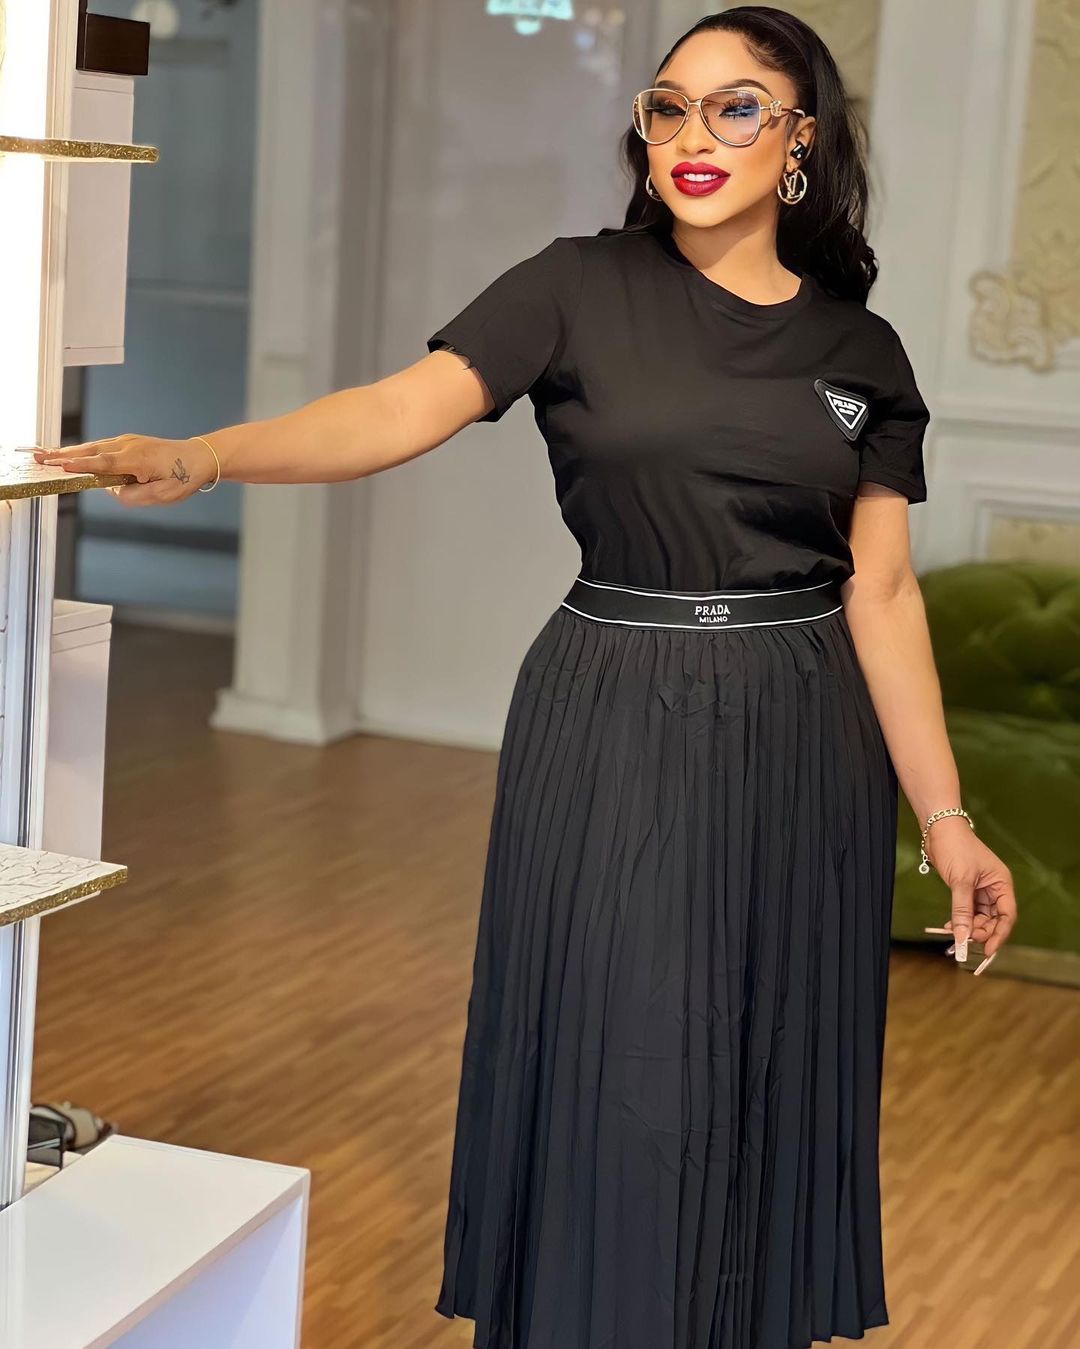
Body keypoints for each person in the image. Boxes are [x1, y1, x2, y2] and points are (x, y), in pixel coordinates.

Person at [36, 7, 1018, 1347]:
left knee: (767, 1051)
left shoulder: (862, 351)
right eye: (668, 106)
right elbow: (399, 408)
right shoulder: (574, 285)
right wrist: (208, 454)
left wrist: (946, 817)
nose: (693, 134)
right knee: (627, 1054)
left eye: (737, 106)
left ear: (802, 140)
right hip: (616, 706)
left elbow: (882, 591)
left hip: (801, 728)